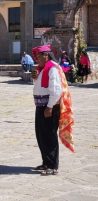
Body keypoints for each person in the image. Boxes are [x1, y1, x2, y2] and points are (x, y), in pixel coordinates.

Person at [31, 45, 74, 176]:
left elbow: (56, 90)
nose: (36, 59)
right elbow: (41, 86)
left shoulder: (52, 68)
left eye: (38, 56)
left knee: (49, 135)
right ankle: (46, 161)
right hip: (41, 106)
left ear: (46, 55)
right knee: (41, 135)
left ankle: (52, 165)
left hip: (48, 107)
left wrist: (49, 107)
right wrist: (35, 78)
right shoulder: (43, 69)